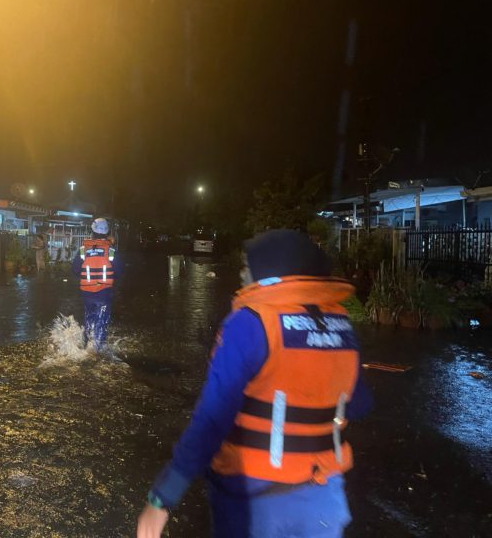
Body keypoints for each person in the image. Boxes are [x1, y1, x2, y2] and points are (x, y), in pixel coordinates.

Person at [137, 229, 373, 538]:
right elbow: (359, 403)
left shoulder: (250, 323)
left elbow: (212, 420)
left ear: (270, 273)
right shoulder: (341, 324)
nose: (241, 273)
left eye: (247, 267)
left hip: (255, 500)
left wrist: (163, 496)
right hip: (323, 499)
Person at [71, 218, 122, 352]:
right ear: (107, 232)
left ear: (92, 231)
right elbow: (118, 271)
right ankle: (98, 352)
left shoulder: (83, 249)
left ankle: (85, 345)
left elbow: (75, 269)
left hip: (87, 292)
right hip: (104, 292)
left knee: (89, 318)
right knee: (102, 321)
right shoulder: (111, 250)